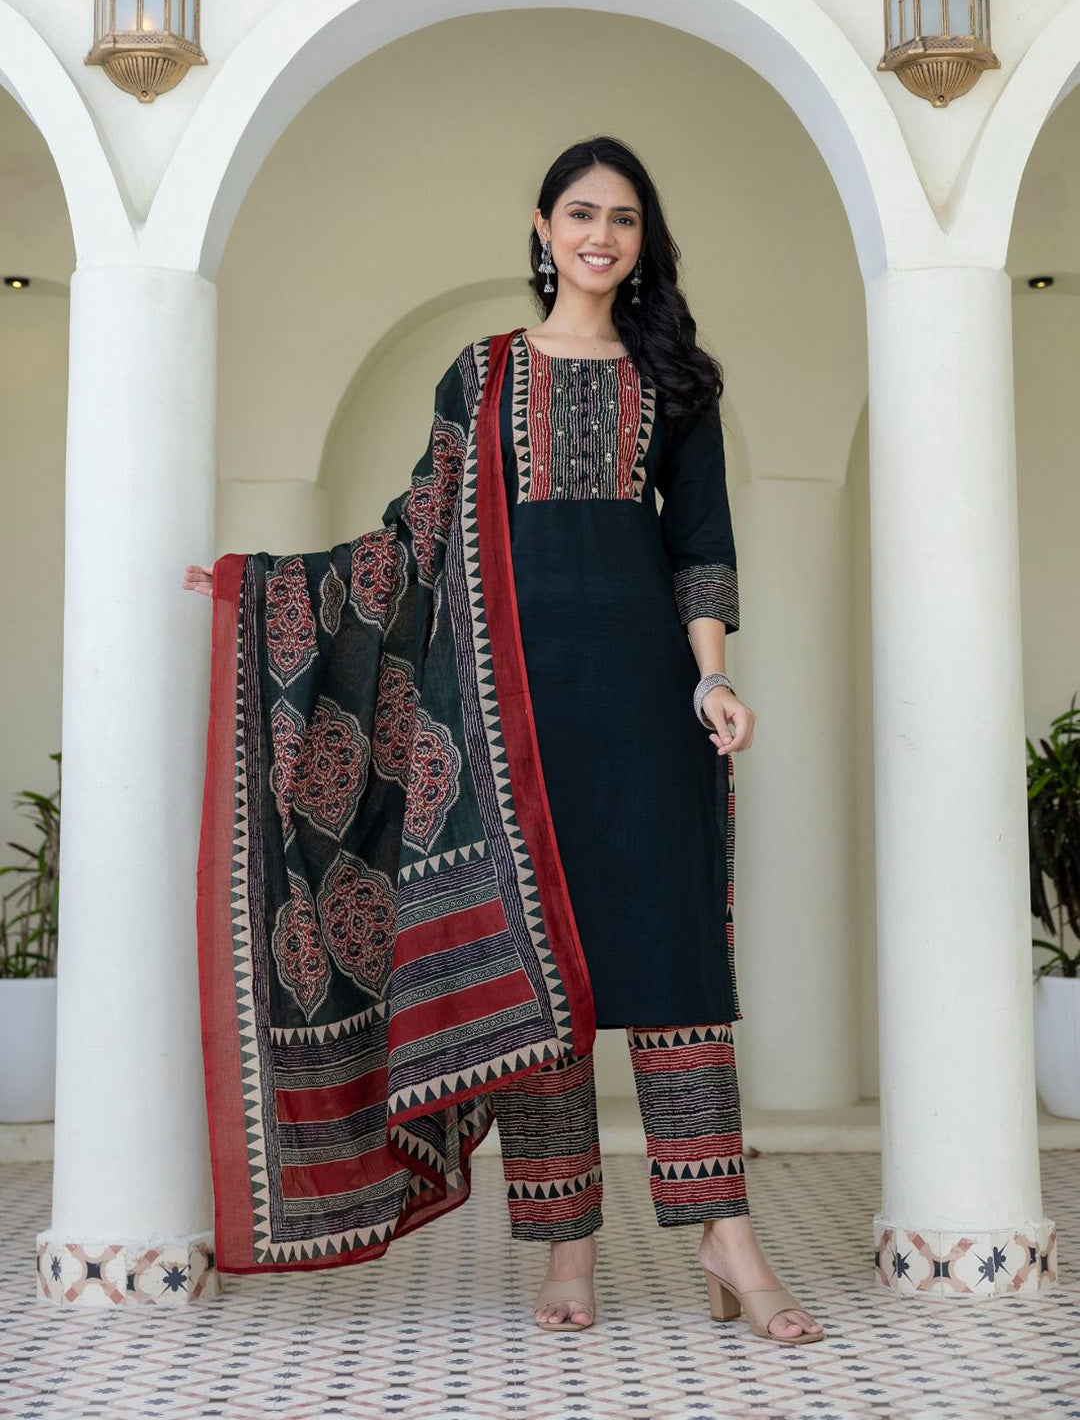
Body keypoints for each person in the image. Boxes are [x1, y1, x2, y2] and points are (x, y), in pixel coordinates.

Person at [184, 135, 823, 1346]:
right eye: (581, 214)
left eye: (623, 218)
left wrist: (713, 681)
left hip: (646, 704)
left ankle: (726, 1238)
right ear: (542, 227)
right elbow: (412, 538)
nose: (601, 236)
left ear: (643, 240)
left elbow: (701, 547)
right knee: (542, 983)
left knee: (679, 971)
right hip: (506, 715)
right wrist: (262, 589)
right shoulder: (479, 376)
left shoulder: (677, 380)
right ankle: (567, 1250)